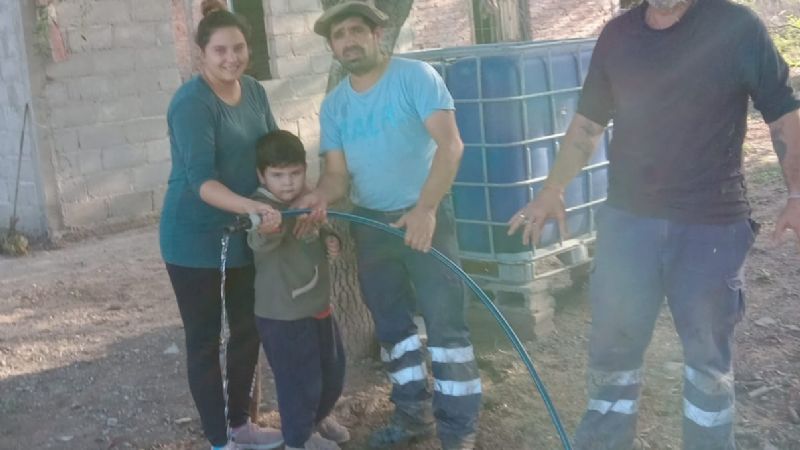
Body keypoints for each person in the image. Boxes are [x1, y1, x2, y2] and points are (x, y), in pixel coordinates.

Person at [507, 0, 800, 449]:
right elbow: (587, 124)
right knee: (613, 349)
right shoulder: (618, 36)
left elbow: (783, 114)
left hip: (711, 225)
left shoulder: (737, 27)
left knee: (707, 360)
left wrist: (796, 193)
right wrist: (552, 190)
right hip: (628, 223)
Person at [296, 2, 482, 449]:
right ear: (332, 46)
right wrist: (317, 197)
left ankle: (458, 430)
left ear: (378, 34)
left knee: (445, 327)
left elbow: (451, 146)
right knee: (394, 329)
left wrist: (425, 209)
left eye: (357, 31)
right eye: (339, 36)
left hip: (425, 219)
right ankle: (413, 415)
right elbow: (338, 176)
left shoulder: (414, 79)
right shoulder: (336, 105)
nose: (349, 41)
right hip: (371, 226)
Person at [158, 1, 284, 449]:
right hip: (193, 238)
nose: (231, 58)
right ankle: (219, 440)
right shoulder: (191, 103)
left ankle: (241, 425)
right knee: (206, 340)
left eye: (238, 48)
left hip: (243, 235)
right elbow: (201, 182)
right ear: (201, 56)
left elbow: (272, 153)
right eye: (220, 51)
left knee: (248, 330)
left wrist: (297, 195)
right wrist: (252, 206)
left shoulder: (253, 91)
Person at [246, 130, 350, 450]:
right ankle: (298, 440)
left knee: (332, 372)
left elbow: (321, 228)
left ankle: (315, 421)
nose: (288, 183)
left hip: (318, 306)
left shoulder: (306, 198)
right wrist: (268, 226)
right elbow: (258, 241)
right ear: (262, 175)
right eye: (278, 175)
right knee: (299, 383)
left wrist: (331, 238)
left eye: (295, 173)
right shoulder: (262, 206)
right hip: (284, 316)